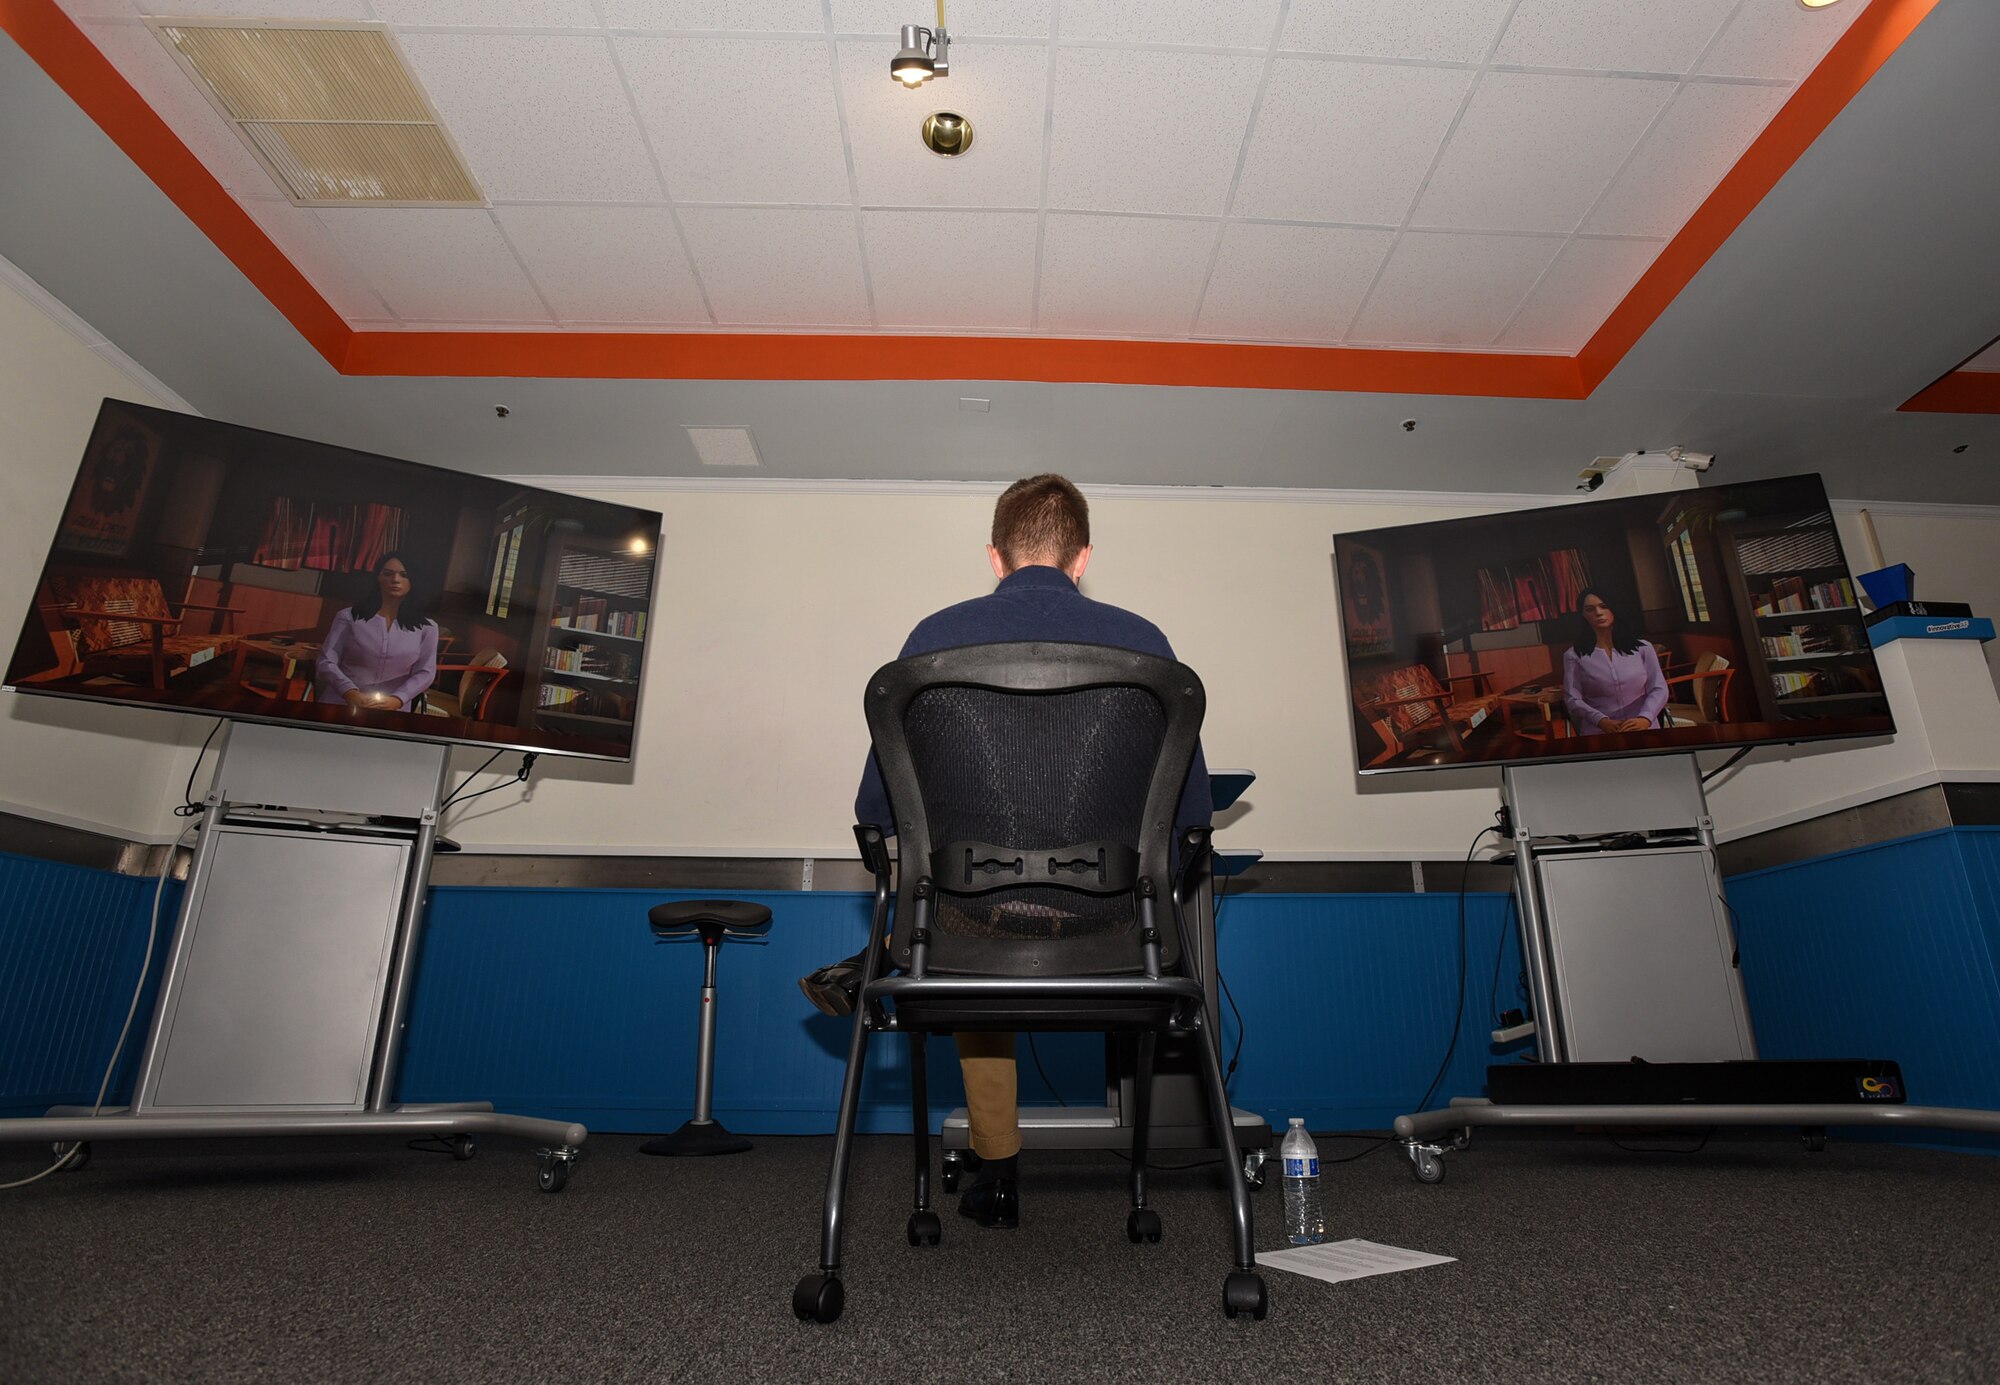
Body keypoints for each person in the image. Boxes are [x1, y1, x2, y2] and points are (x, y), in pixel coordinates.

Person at [801, 474, 1211, 1230]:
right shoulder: (1146, 644)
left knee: (960, 927)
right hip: (1115, 931)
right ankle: (1139, 1190)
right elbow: (1193, 818)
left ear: (995, 556)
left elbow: (873, 811)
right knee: (981, 920)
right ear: (1083, 557)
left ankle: (998, 1162)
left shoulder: (931, 641)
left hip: (967, 931)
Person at [315, 551, 439, 712]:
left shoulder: (427, 628)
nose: (395, 580)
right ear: (378, 577)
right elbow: (326, 661)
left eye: (404, 575)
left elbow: (426, 672)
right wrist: (349, 691)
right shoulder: (348, 617)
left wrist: (398, 699)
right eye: (388, 574)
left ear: (413, 580)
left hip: (393, 710)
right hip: (341, 703)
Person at [1561, 588, 1667, 735]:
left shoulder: (1643, 648)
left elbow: (1659, 688)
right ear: (1583, 615)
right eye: (1590, 609)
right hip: (1599, 732)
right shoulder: (1574, 655)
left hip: (1643, 728)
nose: (1598, 613)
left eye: (1604, 606)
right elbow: (1573, 699)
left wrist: (1646, 717)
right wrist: (1601, 720)